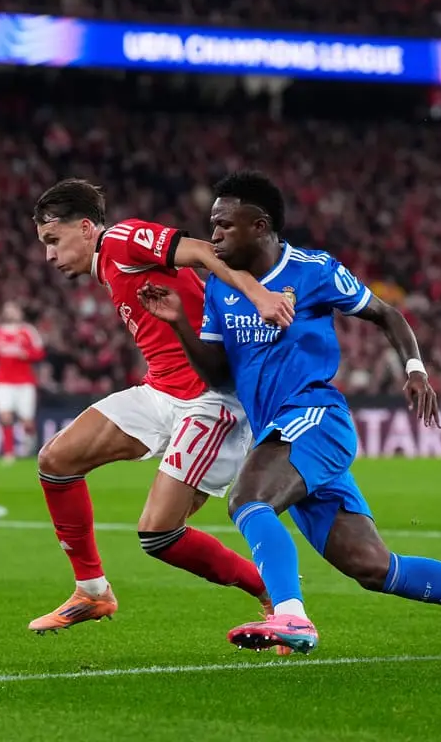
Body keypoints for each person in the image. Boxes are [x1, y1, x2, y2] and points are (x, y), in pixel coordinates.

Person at [138, 171, 441, 662]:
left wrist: (414, 369)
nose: (214, 234)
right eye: (212, 225)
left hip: (315, 417)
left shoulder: (313, 270)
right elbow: (220, 376)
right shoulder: (222, 290)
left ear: (260, 225)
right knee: (374, 568)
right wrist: (180, 322)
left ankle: (289, 614)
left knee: (247, 499)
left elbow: (386, 314)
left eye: (224, 225)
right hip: (277, 432)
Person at [27, 178, 295, 634]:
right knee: (56, 461)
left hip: (209, 402)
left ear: (87, 227)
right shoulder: (108, 264)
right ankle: (91, 591)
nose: (49, 255)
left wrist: (260, 295)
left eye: (54, 240)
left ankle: (272, 592)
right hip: (160, 391)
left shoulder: (124, 239)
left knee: (159, 534)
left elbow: (204, 252)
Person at [0, 302, 45, 465]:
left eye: (14, 309)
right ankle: (9, 453)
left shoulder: (28, 331)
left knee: (27, 421)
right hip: (2, 380)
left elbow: (39, 353)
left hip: (24, 381)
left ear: (20, 312)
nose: (11, 313)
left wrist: (25, 354)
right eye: (8, 310)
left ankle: (30, 444)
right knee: (5, 416)